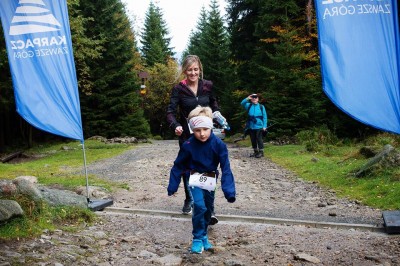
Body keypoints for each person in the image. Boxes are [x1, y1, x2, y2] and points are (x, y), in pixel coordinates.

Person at [167, 106, 236, 254]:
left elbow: (226, 167)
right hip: (194, 178)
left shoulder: (219, 145)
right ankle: (197, 238)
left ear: (211, 127)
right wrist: (173, 185)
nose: (202, 133)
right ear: (192, 130)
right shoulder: (188, 145)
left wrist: (229, 191)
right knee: (199, 206)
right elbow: (178, 165)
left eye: (205, 129)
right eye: (197, 130)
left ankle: (204, 235)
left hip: (210, 179)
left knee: (208, 208)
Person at [166, 55, 222, 224]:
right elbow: (170, 111)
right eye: (189, 70)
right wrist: (175, 125)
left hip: (206, 134)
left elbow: (214, 104)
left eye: (196, 69)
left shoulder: (207, 85)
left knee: (208, 166)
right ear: (185, 71)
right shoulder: (179, 89)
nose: (193, 73)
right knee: (188, 167)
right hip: (187, 135)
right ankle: (190, 198)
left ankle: (209, 207)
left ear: (200, 69)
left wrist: (217, 114)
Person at [241, 93, 268, 158]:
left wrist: (264, 126)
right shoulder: (249, 105)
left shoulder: (261, 107)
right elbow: (242, 103)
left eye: (256, 97)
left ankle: (261, 152)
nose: (254, 99)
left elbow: (265, 117)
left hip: (259, 126)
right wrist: (248, 98)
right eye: (253, 97)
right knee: (253, 139)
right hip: (251, 126)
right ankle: (255, 152)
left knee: (259, 139)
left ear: (258, 99)